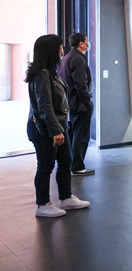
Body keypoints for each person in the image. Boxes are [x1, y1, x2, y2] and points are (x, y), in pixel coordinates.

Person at [26, 34, 91, 217]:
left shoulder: (51, 71)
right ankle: (42, 205)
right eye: (60, 47)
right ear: (51, 50)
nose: (62, 50)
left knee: (65, 161)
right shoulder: (42, 74)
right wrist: (55, 131)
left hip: (59, 125)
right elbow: (45, 106)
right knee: (45, 166)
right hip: (45, 128)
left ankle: (66, 198)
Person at [58, 33, 94, 176]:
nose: (88, 43)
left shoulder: (67, 57)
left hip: (70, 103)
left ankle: (71, 164)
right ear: (81, 44)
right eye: (86, 41)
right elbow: (80, 84)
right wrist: (87, 101)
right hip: (79, 104)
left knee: (73, 134)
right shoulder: (78, 59)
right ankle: (78, 166)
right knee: (81, 135)